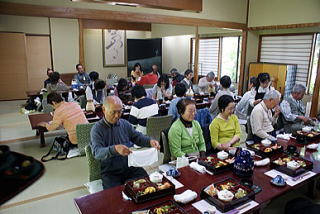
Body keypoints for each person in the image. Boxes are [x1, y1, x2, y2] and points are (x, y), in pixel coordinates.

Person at [90, 96, 160, 189]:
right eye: (113, 112)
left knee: (146, 185)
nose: (117, 115)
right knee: (115, 196)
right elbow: (97, 152)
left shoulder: (124, 124)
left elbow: (137, 137)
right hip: (110, 172)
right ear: (104, 109)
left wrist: (150, 141)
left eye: (119, 112)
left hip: (129, 165)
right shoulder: (97, 129)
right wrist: (115, 149)